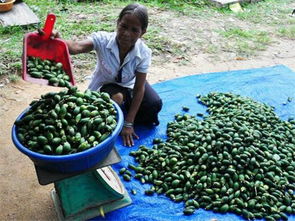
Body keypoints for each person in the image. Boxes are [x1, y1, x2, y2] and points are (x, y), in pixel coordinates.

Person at [47, 3, 162, 147]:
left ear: (142, 32)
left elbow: (139, 88)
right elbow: (77, 47)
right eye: (124, 26)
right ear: (117, 23)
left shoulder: (144, 53)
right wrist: (58, 41)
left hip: (129, 85)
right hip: (106, 85)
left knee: (154, 104)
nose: (127, 34)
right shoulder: (103, 40)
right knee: (116, 100)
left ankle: (124, 114)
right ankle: (118, 113)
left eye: (134, 30)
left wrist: (128, 122)